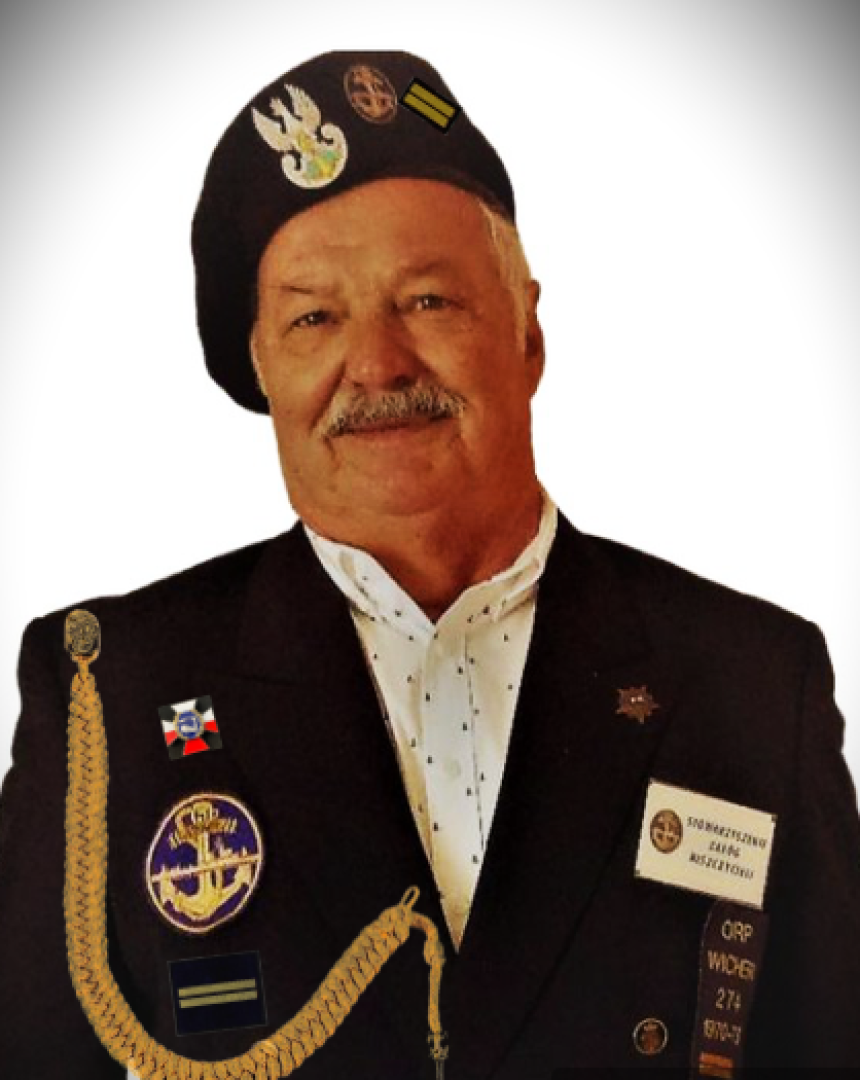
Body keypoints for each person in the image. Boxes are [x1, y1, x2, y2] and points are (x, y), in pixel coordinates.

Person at [0, 49, 858, 1080]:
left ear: (528, 333)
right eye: (314, 317)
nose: (376, 365)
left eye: (426, 302)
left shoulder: (753, 681)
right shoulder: (112, 691)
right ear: (264, 365)